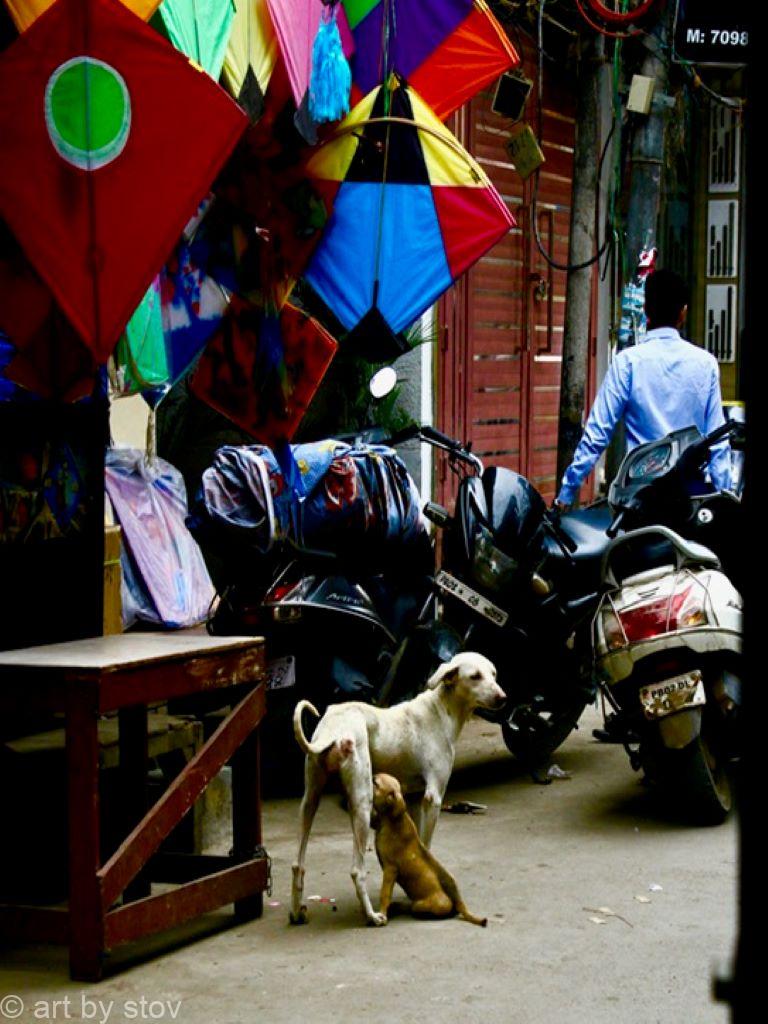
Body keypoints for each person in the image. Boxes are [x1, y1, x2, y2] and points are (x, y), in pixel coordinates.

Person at [554, 268, 731, 510]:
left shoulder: (627, 362)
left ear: (646, 309)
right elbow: (718, 441)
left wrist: (567, 492)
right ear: (683, 313)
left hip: (639, 499)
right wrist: (724, 496)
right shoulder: (705, 364)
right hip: (690, 498)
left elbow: (597, 434)